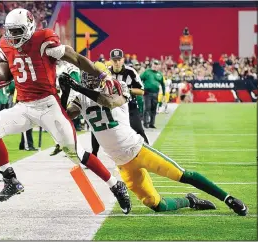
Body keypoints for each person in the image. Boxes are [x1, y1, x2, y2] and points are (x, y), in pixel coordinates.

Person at [0, 8, 131, 214]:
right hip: (24, 106)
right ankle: (10, 180)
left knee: (76, 154)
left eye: (18, 31)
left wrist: (101, 75)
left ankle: (115, 185)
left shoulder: (44, 40)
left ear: (29, 27)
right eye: (11, 31)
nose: (14, 36)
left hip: (49, 106)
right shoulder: (5, 43)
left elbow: (76, 58)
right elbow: (1, 62)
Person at [61, 69, 248, 216]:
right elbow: (65, 117)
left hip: (138, 150)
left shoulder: (118, 87)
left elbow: (108, 102)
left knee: (182, 175)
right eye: (88, 79)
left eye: (93, 79)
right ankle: (190, 201)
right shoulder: (81, 98)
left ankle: (229, 199)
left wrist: (78, 88)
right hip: (122, 163)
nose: (91, 82)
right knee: (155, 204)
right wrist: (67, 91)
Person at [50, 60, 81, 156]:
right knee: (56, 122)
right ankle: (62, 145)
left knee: (64, 122)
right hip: (61, 97)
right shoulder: (54, 67)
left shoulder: (70, 66)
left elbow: (76, 82)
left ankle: (71, 147)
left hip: (71, 97)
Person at [141, 60, 165, 129]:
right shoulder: (147, 72)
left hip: (155, 93)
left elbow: (163, 84)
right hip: (147, 92)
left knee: (154, 108)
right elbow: (140, 79)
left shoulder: (160, 74)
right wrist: (141, 88)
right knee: (147, 107)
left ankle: (152, 123)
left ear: (158, 66)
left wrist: (163, 93)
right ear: (152, 65)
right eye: (154, 65)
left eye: (156, 65)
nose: (155, 66)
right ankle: (146, 123)